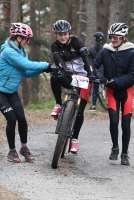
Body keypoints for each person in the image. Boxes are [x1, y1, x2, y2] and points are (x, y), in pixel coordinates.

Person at [0, 22, 52, 163]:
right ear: (18, 38)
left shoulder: (22, 52)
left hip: (11, 91)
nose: (27, 42)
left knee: (21, 119)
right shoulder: (9, 52)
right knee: (11, 118)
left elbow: (26, 72)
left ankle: (24, 148)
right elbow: (25, 64)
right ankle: (12, 151)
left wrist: (44, 69)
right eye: (26, 39)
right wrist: (46, 65)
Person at [93, 23, 134, 165]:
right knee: (113, 120)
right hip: (111, 91)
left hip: (126, 91)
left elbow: (133, 76)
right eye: (111, 37)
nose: (113, 40)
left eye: (116, 37)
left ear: (123, 37)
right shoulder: (106, 51)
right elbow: (94, 65)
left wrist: (116, 81)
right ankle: (115, 147)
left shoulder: (131, 53)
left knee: (126, 124)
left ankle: (125, 154)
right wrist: (101, 77)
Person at [50, 20, 95, 153]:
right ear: (56, 35)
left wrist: (91, 74)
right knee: (54, 76)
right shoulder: (55, 46)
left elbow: (87, 58)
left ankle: (74, 139)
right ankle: (58, 104)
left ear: (69, 32)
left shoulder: (77, 41)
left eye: (65, 34)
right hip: (69, 76)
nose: (63, 37)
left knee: (80, 111)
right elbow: (58, 60)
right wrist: (64, 70)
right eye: (60, 34)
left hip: (84, 78)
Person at [88, 32, 105, 111]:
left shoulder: (91, 50)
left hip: (95, 71)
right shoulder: (105, 48)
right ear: (102, 39)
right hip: (104, 71)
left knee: (95, 89)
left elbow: (90, 61)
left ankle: (94, 106)